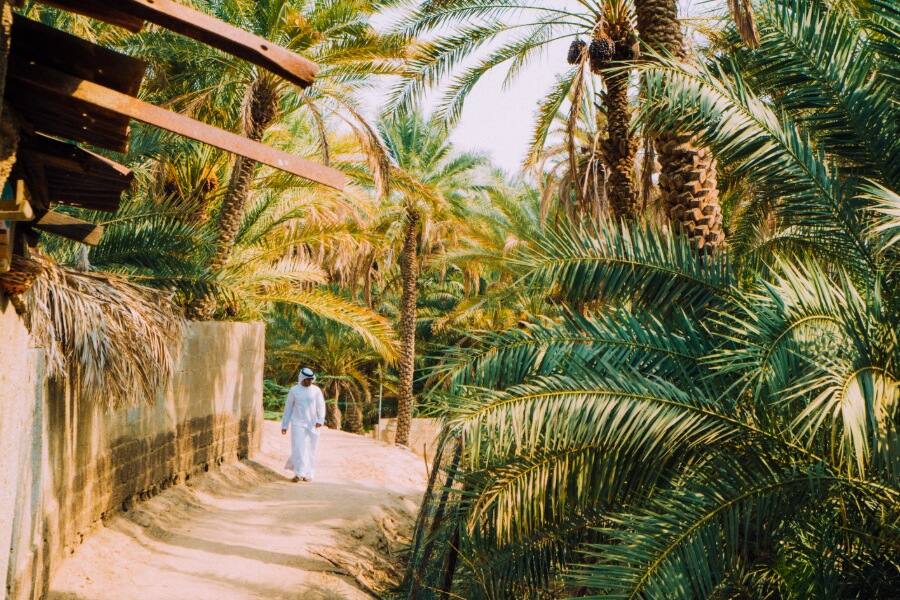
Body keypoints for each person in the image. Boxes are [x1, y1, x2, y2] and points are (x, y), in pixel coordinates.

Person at [281, 367, 326, 482]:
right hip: (297, 423)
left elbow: (321, 405)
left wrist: (320, 420)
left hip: (313, 424)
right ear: (302, 378)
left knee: (311, 449)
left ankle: (308, 474)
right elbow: (288, 408)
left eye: (311, 379)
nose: (309, 381)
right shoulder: (294, 390)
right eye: (307, 379)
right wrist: (285, 425)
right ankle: (298, 473)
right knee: (298, 448)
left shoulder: (316, 390)